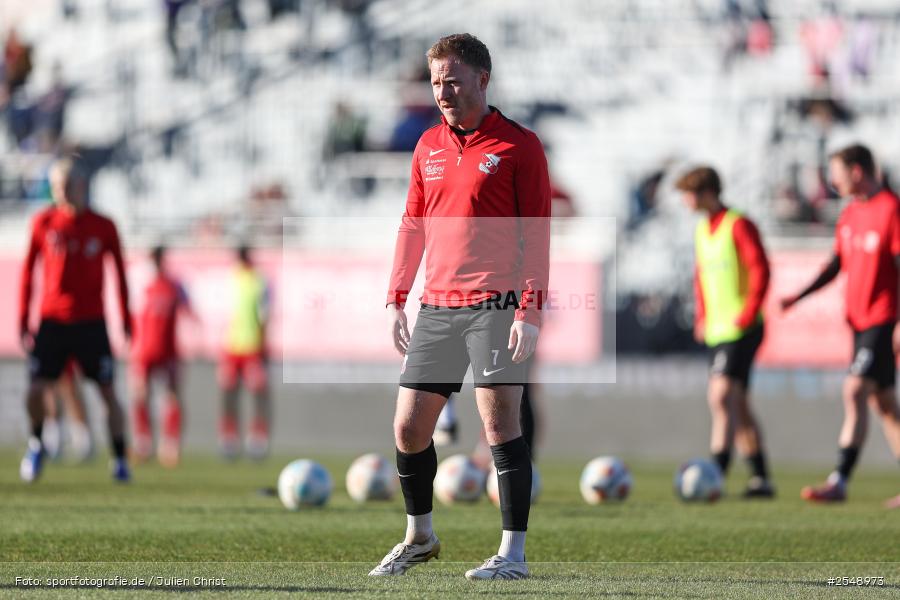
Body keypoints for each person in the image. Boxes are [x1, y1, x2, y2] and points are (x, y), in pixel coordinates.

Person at [370, 33, 550, 581]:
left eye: (452, 80)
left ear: (481, 79)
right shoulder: (427, 146)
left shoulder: (519, 146)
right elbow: (412, 224)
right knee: (408, 430)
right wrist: (396, 296)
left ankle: (512, 555)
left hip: (497, 304)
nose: (442, 92)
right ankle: (420, 537)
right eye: (435, 82)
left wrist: (530, 311)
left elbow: (538, 236)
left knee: (499, 427)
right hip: (438, 306)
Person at [781, 144, 900, 506]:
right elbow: (836, 264)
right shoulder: (849, 214)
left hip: (883, 317)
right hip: (858, 322)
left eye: (837, 172)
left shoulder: (891, 210)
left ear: (857, 171)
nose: (832, 180)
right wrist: (798, 296)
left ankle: (840, 481)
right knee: (884, 406)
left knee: (853, 390)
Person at [18, 157, 132, 483]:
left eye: (65, 186)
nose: (61, 193)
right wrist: (23, 317)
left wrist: (125, 318)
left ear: (81, 187)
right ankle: (38, 443)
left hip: (91, 324)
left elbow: (120, 275)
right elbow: (28, 273)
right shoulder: (43, 223)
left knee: (108, 393)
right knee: (36, 390)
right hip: (52, 322)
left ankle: (120, 458)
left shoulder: (104, 226)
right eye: (55, 187)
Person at [676, 166, 775, 498]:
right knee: (738, 403)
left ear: (706, 193)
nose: (684, 201)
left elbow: (761, 268)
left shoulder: (738, 224)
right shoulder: (703, 230)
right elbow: (701, 276)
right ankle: (761, 478)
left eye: (688, 194)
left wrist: (747, 312)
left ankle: (716, 471)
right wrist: (702, 316)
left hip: (741, 328)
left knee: (719, 396)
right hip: (718, 330)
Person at [131, 245, 195, 467]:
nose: (157, 262)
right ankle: (143, 443)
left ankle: (170, 445)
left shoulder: (175, 285)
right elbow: (131, 316)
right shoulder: (139, 283)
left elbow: (190, 312)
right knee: (140, 394)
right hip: (143, 350)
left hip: (168, 350)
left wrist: (194, 342)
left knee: (173, 397)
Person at [218, 245, 271, 461]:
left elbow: (264, 315)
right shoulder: (231, 278)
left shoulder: (258, 281)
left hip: (252, 347)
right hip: (231, 347)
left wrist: (263, 344)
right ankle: (229, 439)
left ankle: (257, 439)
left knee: (258, 394)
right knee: (228, 395)